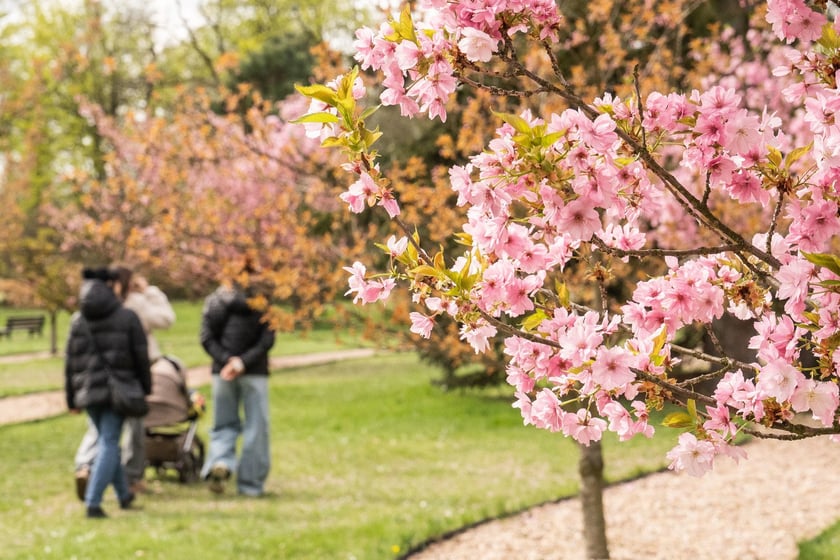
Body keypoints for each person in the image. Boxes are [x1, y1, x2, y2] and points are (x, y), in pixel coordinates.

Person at [73, 268, 176, 497]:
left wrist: (73, 396)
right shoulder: (131, 308)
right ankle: (102, 495)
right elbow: (165, 321)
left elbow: (73, 357)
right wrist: (150, 292)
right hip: (127, 380)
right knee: (125, 433)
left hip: (94, 379)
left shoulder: (85, 311)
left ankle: (88, 466)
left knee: (101, 432)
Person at [65, 267, 151, 518]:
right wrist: (145, 388)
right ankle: (93, 502)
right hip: (118, 391)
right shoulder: (127, 317)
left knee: (107, 441)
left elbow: (69, 364)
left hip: (88, 392)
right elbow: (141, 357)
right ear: (111, 286)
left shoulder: (78, 320)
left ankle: (124, 495)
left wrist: (71, 399)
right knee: (109, 443)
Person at [199, 275, 276, 496]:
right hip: (255, 372)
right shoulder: (262, 302)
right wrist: (242, 362)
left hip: (222, 373)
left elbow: (206, 338)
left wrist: (227, 360)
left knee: (223, 423)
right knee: (256, 427)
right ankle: (251, 484)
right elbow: (267, 339)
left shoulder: (214, 302)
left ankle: (221, 461)